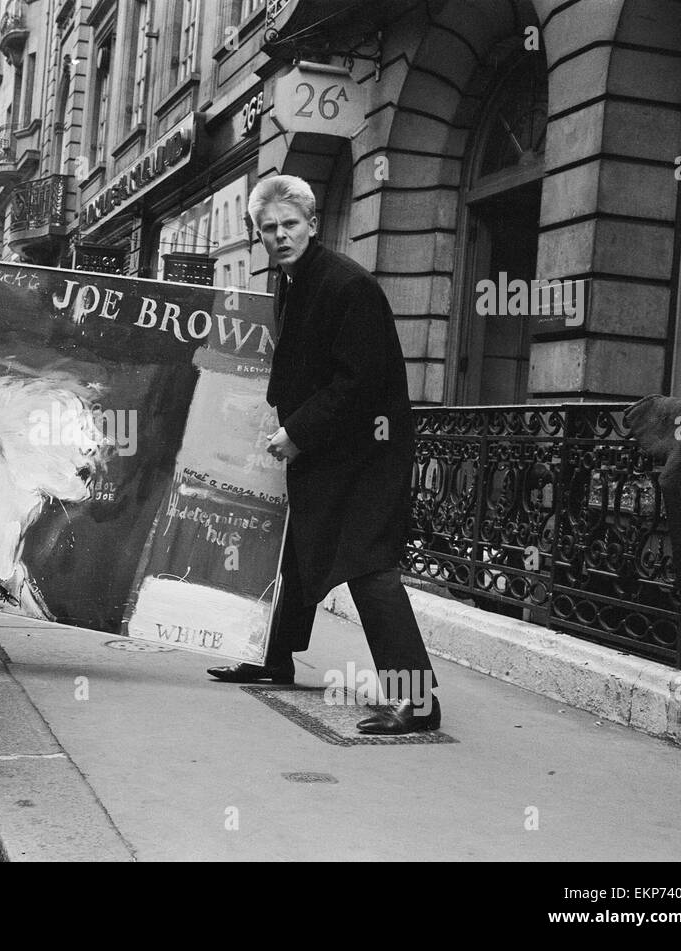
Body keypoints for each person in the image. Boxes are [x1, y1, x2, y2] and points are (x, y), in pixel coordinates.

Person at [206, 174, 440, 735]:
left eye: (290, 224)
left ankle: (420, 702)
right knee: (297, 551)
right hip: (330, 448)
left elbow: (359, 382)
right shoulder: (294, 279)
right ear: (258, 234)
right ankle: (276, 659)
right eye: (269, 228)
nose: (280, 235)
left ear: (313, 224)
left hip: (366, 454)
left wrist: (299, 432)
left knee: (368, 568)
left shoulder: (347, 284)